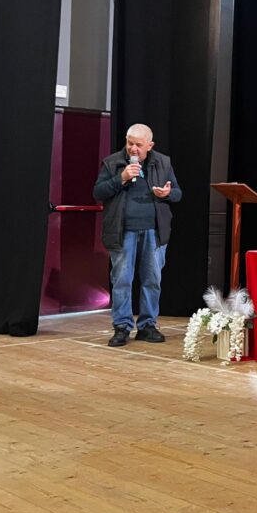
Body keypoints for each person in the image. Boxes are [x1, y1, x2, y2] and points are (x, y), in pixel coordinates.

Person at [92, 123, 182, 347]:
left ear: (149, 145)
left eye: (139, 145)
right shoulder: (113, 162)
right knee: (122, 280)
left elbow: (178, 194)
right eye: (130, 143)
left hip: (154, 231)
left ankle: (147, 325)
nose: (133, 149)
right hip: (123, 231)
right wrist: (121, 178)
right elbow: (98, 192)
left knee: (152, 279)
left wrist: (167, 193)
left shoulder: (163, 162)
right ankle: (121, 327)